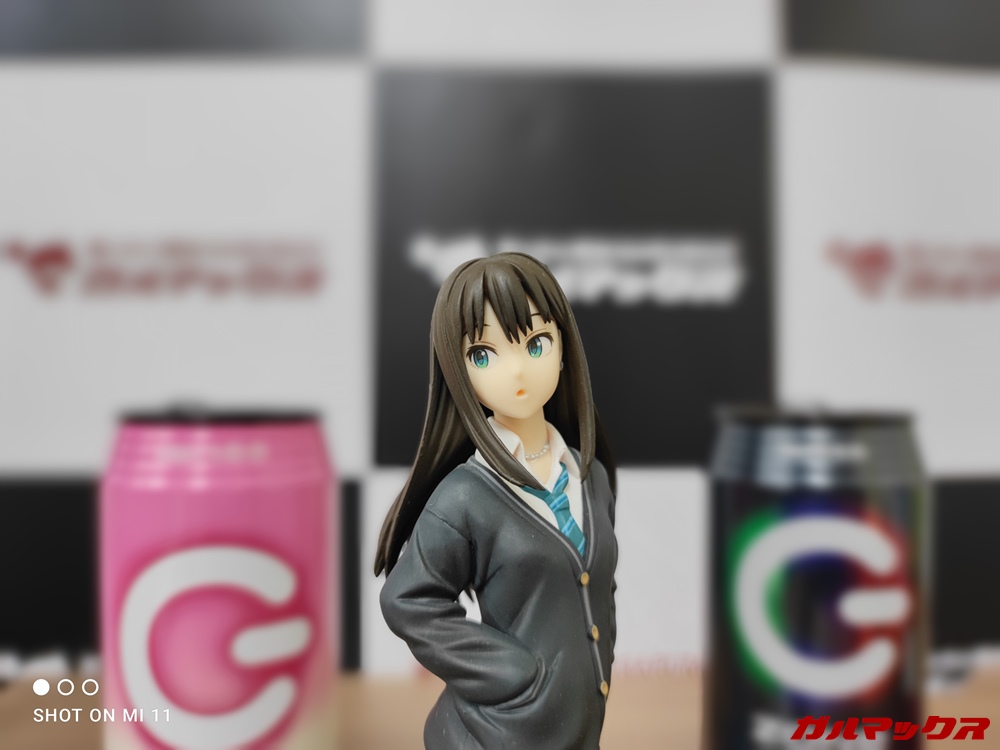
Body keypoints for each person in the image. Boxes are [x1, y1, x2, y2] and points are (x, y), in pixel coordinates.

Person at [374, 252, 618, 750]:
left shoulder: (589, 476)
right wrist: (514, 674)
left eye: (535, 343)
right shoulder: (465, 497)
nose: (517, 371)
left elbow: (597, 587)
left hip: (580, 723)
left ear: (563, 347)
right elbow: (408, 601)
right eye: (484, 355)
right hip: (501, 733)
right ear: (458, 370)